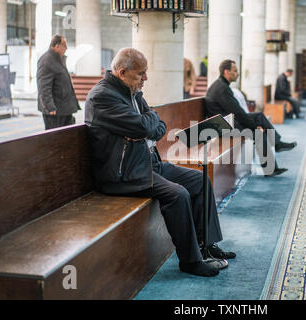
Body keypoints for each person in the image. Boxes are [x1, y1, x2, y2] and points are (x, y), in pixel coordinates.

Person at [85, 48, 235, 277]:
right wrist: (146, 125)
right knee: (178, 194)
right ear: (122, 72)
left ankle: (207, 245)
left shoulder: (132, 92)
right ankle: (191, 261)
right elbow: (147, 127)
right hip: (123, 175)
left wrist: (145, 125)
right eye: (141, 74)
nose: (145, 79)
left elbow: (158, 126)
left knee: (200, 179)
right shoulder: (102, 97)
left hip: (147, 164)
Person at [205, 59, 297, 177]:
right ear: (226, 72)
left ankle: (277, 144)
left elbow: (236, 112)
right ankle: (271, 167)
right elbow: (237, 112)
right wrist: (253, 126)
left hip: (227, 122)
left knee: (258, 116)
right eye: (235, 71)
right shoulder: (221, 88)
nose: (237, 73)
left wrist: (253, 125)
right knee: (258, 133)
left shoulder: (221, 85)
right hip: (223, 128)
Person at [37, 34, 80, 130]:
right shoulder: (46, 61)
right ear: (57, 46)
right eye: (64, 45)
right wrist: (50, 106)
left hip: (64, 108)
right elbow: (43, 87)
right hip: (55, 111)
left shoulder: (58, 59)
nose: (66, 48)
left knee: (67, 137)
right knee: (55, 140)